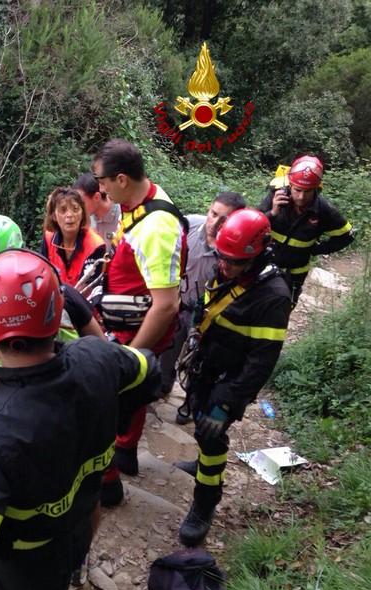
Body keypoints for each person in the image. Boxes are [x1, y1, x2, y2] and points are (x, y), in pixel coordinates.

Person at [0, 249, 161, 590]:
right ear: (58, 310)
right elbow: (148, 369)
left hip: (24, 567)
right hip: (81, 523)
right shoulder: (97, 359)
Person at [173, 209, 291, 547]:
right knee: (199, 418)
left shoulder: (273, 296)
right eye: (221, 258)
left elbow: (260, 362)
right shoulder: (229, 268)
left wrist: (227, 404)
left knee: (212, 435)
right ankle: (203, 460)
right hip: (207, 363)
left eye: (233, 262)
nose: (223, 266)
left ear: (254, 256)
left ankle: (204, 504)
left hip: (232, 376)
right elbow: (211, 297)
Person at [91, 139, 187, 503]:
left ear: (120, 179)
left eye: (100, 180)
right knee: (127, 401)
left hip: (135, 332)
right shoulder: (140, 203)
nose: (98, 188)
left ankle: (113, 475)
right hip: (124, 320)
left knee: (116, 398)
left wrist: (130, 358)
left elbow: (166, 305)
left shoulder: (156, 227)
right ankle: (127, 452)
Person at [0, 215, 105, 434]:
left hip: (19, 403)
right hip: (76, 391)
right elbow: (101, 345)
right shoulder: (60, 294)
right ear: (22, 252)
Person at [159, 192, 246, 418]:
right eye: (213, 214)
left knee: (197, 361)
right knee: (168, 347)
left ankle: (189, 403)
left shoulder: (235, 252)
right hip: (180, 302)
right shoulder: (189, 226)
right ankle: (162, 386)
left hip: (209, 315)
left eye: (224, 219)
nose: (214, 223)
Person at [258, 155, 353, 306]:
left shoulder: (324, 210)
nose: (301, 197)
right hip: (265, 262)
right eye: (297, 190)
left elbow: (346, 236)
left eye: (308, 191)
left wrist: (316, 249)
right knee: (254, 304)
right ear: (290, 184)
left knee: (284, 307)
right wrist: (273, 213)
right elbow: (252, 224)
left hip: (295, 272)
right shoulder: (276, 197)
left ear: (317, 188)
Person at [39, 186, 105, 289]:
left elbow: (88, 290)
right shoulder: (48, 238)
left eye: (75, 209)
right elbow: (41, 276)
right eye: (63, 210)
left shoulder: (96, 245)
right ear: (54, 216)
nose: (70, 215)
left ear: (82, 213)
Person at [75, 172, 121, 253]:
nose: (78, 207)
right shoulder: (85, 220)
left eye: (81, 202)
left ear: (97, 197)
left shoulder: (123, 216)